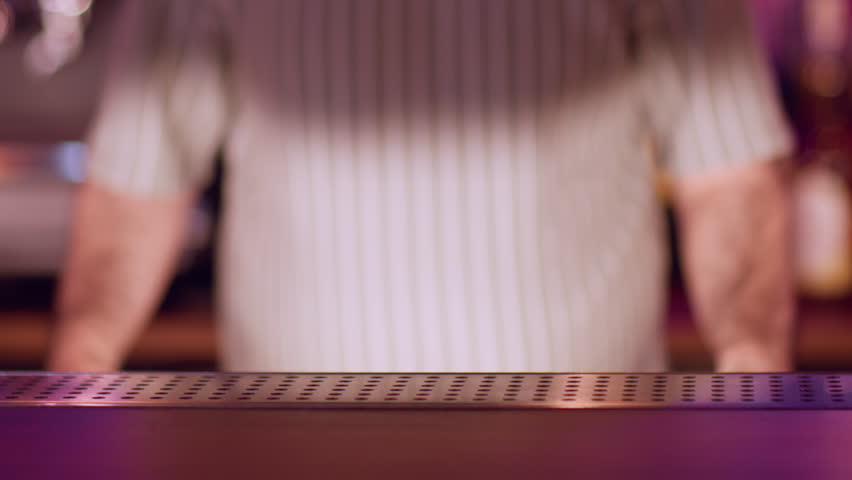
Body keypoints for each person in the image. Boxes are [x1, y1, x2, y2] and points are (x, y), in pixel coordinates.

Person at [47, 0, 795, 373]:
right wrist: (75, 376)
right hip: (289, 460)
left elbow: (729, 172)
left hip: (591, 454)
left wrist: (755, 368)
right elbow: (137, 180)